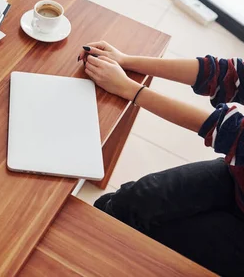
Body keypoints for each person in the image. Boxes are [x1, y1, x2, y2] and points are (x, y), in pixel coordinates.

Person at [78, 42, 244, 276]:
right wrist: (125, 59)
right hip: (237, 176)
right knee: (128, 202)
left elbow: (227, 130)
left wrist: (130, 90)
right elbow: (224, 73)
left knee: (156, 246)